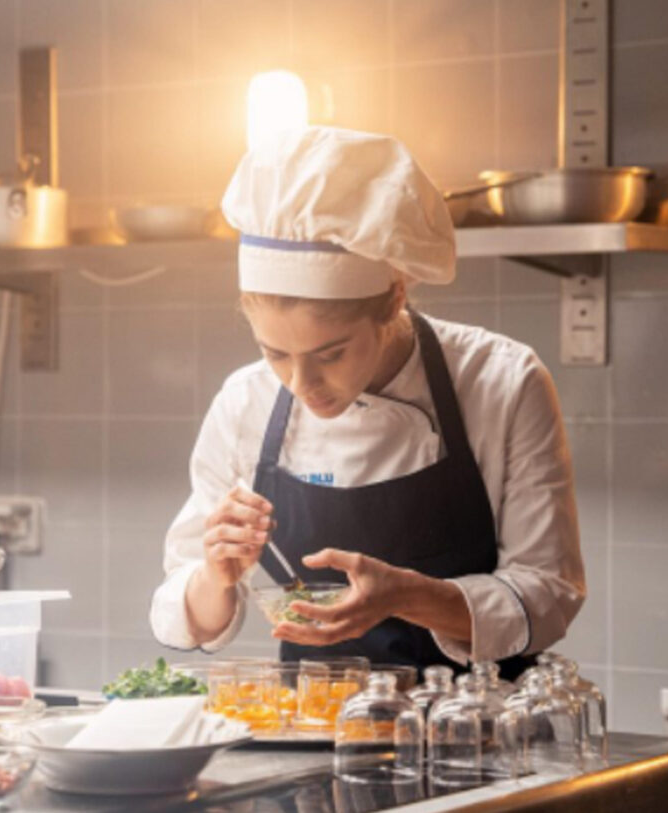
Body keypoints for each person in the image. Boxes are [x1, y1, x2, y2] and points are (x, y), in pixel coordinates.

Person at [150, 126, 584, 676]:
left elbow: (547, 595)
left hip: (472, 733)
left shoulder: (500, 380)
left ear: (393, 299)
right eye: (275, 353)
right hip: (310, 725)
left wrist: (405, 596)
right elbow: (183, 615)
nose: (301, 384)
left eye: (330, 354)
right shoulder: (246, 401)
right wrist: (217, 574)